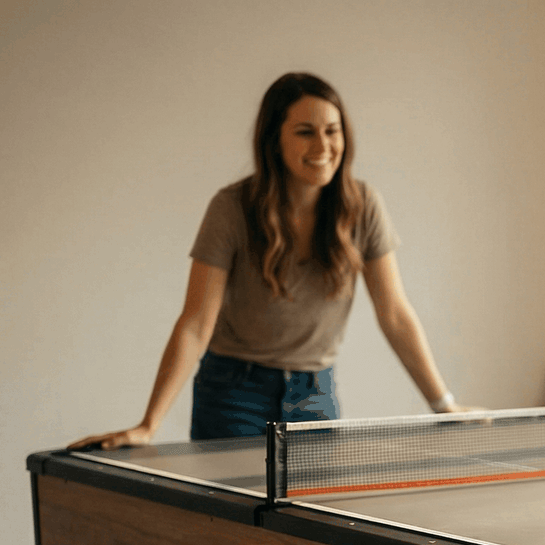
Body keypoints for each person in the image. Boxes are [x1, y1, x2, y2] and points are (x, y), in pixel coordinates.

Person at [71, 72, 465, 451]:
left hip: (315, 395)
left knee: (309, 519)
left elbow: (394, 314)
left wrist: (443, 405)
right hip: (232, 393)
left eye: (332, 130)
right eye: (305, 131)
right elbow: (195, 323)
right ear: (274, 139)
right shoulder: (231, 208)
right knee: (232, 518)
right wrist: (148, 425)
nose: (323, 145)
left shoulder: (363, 207)